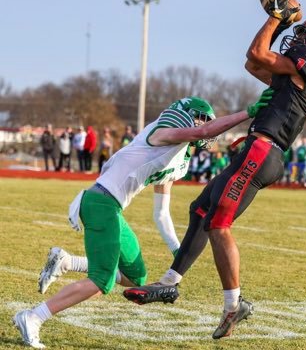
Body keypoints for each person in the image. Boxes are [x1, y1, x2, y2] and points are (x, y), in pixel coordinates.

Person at [124, 0, 306, 340]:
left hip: (262, 150)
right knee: (201, 209)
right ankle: (169, 284)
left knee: (219, 224)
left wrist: (276, 17)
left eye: (302, 35)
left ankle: (233, 304)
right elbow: (253, 63)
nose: (296, 39)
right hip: (259, 150)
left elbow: (257, 53)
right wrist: (275, 22)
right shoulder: (302, 73)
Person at [12, 95, 269, 349]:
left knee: (137, 276)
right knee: (101, 281)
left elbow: (161, 213)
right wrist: (247, 113)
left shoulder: (180, 160)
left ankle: (66, 261)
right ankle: (33, 316)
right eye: (201, 119)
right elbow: (204, 130)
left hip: (111, 206)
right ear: (189, 117)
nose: (204, 127)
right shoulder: (162, 133)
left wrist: (179, 253)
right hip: (102, 203)